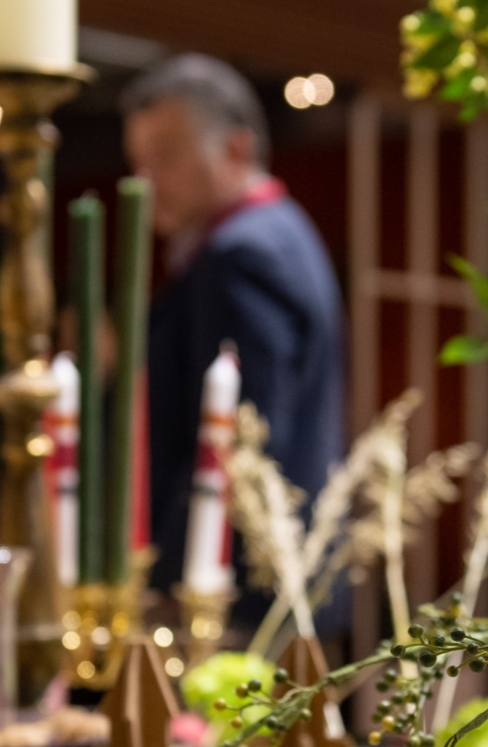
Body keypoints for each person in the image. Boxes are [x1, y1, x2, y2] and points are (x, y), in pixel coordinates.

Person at [121, 54, 346, 603]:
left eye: (165, 158)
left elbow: (240, 439)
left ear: (237, 148)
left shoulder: (239, 254)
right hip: (272, 572)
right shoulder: (281, 230)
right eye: (139, 162)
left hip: (236, 585)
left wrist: (163, 580)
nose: (146, 182)